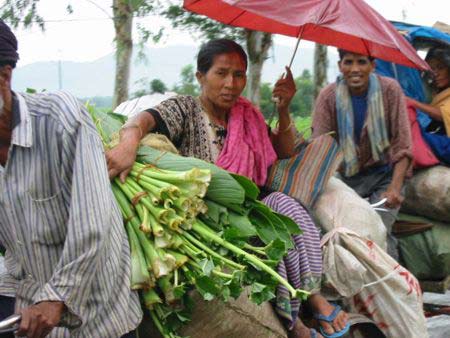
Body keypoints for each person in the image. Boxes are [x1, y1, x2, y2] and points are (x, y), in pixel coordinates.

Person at [107, 38, 349, 338]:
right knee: (257, 243)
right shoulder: (185, 110)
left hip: (251, 206)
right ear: (201, 76)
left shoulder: (247, 115)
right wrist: (128, 144)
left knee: (288, 208)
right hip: (209, 214)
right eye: (221, 73)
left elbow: (282, 151)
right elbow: (144, 120)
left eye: (238, 75)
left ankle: (312, 297)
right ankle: (294, 323)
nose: (231, 84)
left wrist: (284, 109)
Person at [0, 20, 142, 338]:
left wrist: (57, 296)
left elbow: (93, 222)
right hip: (34, 311)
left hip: (100, 315)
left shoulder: (62, 119)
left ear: (4, 76)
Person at [312, 49, 413, 260]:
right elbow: (320, 148)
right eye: (348, 62)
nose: (355, 69)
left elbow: (403, 145)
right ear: (340, 66)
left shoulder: (390, 90)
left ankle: (391, 288)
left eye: (361, 62)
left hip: (385, 174)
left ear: (372, 66)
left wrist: (395, 188)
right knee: (340, 232)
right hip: (347, 175)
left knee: (378, 231)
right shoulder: (328, 97)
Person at [408, 45, 450, 165]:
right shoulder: (436, 94)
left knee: (412, 136)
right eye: (431, 69)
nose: (435, 74)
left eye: (440, 68)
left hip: (447, 147)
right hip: (442, 142)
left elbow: (444, 115)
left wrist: (413, 103)